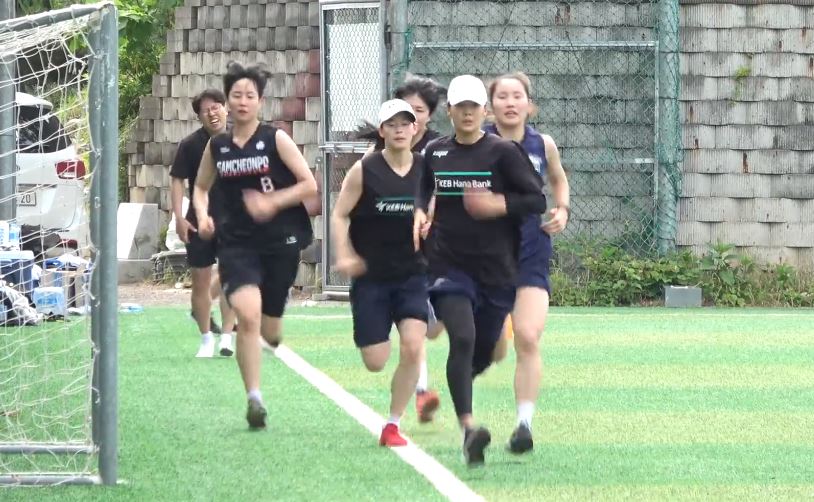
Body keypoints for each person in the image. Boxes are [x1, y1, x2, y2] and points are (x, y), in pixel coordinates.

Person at [414, 75, 546, 466]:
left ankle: (461, 387)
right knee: (463, 337)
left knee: (485, 350)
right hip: (448, 265)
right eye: (461, 107)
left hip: (497, 270)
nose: (468, 113)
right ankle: (469, 430)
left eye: (474, 106)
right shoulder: (435, 152)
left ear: (484, 111)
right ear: (449, 111)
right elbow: (423, 188)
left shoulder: (503, 153)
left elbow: (536, 200)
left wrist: (496, 205)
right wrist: (420, 212)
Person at [193, 62, 317, 429]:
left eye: (250, 95)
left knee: (270, 331)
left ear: (260, 102)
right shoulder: (217, 146)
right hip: (236, 244)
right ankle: (254, 398)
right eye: (237, 95)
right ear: (228, 102)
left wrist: (272, 202)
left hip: (280, 242)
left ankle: (273, 325)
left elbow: (309, 184)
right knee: (247, 316)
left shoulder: (275, 139)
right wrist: (202, 215)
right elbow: (200, 187)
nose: (243, 101)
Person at [332, 99, 428, 447]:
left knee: (413, 347)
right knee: (376, 361)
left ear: (415, 129)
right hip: (371, 277)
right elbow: (339, 214)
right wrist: (345, 254)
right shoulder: (365, 169)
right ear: (382, 131)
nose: (400, 130)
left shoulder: (427, 169)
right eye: (392, 124)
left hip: (413, 274)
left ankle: (393, 424)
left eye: (406, 123)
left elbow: (437, 210)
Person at [485, 72, 571, 454]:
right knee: (491, 345)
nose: (510, 102)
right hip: (485, 253)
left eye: (517, 95)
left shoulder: (543, 144)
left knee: (529, 335)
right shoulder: (476, 145)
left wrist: (562, 209)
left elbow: (558, 180)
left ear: (529, 105)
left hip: (531, 249)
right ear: (490, 108)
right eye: (502, 96)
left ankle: (524, 425)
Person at [356, 76, 446, 423]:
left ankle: (418, 382)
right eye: (407, 112)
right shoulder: (377, 156)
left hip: (434, 250)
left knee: (432, 329)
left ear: (428, 116)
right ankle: (421, 391)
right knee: (414, 335)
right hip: (395, 259)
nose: (413, 119)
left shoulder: (437, 150)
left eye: (419, 111)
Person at [169, 88, 235, 358]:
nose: (212, 113)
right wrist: (179, 218)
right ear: (199, 116)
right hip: (198, 222)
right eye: (205, 110)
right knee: (200, 280)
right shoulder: (189, 145)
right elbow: (177, 180)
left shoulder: (242, 139)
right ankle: (206, 338)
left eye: (216, 107)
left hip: (233, 223)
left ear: (226, 108)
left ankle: (227, 337)